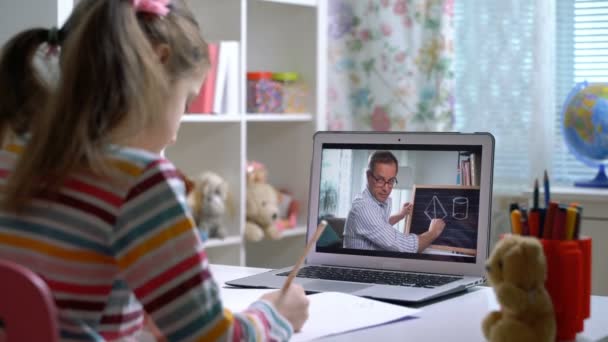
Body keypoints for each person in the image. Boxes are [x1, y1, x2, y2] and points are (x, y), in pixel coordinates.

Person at [0, 1, 308, 341]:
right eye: (187, 100)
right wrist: (275, 315)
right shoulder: (138, 180)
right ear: (158, 62)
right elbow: (214, 338)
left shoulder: (12, 152)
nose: (178, 129)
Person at [343, 150, 446, 253]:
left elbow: (380, 225)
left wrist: (400, 215)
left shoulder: (375, 201)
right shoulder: (364, 207)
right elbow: (406, 247)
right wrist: (433, 232)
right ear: (368, 176)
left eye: (391, 180)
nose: (386, 188)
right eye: (380, 180)